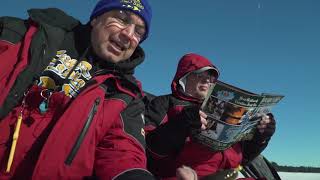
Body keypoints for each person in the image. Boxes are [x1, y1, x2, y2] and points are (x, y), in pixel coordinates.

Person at [0, 0, 155, 179]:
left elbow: (123, 151)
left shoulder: (126, 94)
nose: (129, 34)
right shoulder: (27, 35)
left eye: (139, 32)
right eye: (122, 19)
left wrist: (133, 176)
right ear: (96, 18)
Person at [144, 53, 276, 179]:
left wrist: (260, 137)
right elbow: (149, 150)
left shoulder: (220, 108)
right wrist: (180, 124)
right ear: (184, 77)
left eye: (211, 77)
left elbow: (244, 157)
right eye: (200, 75)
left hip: (229, 175)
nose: (207, 80)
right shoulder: (164, 103)